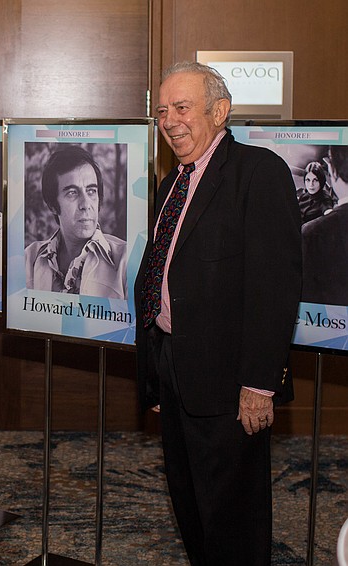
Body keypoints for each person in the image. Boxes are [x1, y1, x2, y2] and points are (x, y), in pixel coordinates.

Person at [135, 61, 301, 566]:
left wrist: (260, 384)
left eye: (182, 108)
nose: (170, 121)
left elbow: (275, 289)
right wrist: (158, 374)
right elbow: (161, 274)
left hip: (231, 385)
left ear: (219, 110)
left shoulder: (258, 172)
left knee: (233, 519)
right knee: (189, 505)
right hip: (175, 369)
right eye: (163, 111)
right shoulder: (172, 183)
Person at [25, 146, 127, 298]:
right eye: (72, 193)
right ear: (52, 205)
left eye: (91, 191)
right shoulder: (29, 259)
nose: (85, 204)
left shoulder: (125, 260)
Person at [301, 146, 348, 305]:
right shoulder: (302, 197)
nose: (311, 184)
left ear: (332, 172)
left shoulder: (313, 231)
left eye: (315, 180)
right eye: (308, 180)